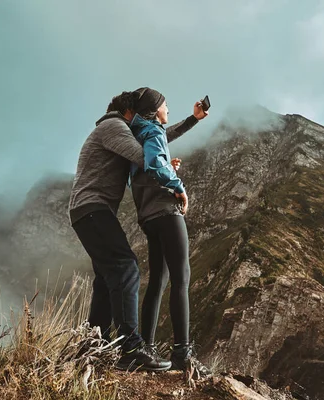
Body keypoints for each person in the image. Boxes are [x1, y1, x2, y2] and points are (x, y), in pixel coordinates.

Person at [68, 90, 202, 371]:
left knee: (106, 280)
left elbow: (155, 139)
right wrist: (171, 173)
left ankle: (93, 345)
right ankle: (130, 347)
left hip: (89, 210)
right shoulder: (113, 127)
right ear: (131, 113)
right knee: (126, 268)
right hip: (92, 208)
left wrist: (191, 121)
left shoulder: (117, 127)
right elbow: (148, 155)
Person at [128, 87, 211, 380]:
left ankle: (147, 349)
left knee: (158, 282)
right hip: (166, 210)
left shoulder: (139, 133)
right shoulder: (152, 133)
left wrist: (194, 119)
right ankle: (182, 354)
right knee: (181, 279)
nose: (168, 109)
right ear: (154, 110)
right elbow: (154, 162)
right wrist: (177, 185)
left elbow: (163, 142)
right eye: (165, 105)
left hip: (147, 216)